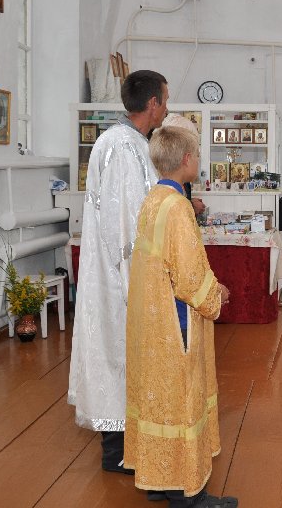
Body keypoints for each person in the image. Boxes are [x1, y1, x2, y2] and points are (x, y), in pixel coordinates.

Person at [124, 126, 237, 508]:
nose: (199, 160)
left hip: (152, 320)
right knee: (182, 400)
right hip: (176, 323)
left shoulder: (153, 198)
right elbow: (188, 277)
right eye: (198, 154)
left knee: (160, 400)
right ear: (187, 160)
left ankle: (162, 478)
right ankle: (189, 495)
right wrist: (216, 294)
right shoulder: (178, 206)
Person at [68, 70, 168, 474]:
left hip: (118, 271)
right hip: (122, 275)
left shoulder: (126, 142)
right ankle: (120, 453)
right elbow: (126, 225)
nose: (167, 108)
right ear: (153, 104)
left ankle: (128, 447)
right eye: (165, 100)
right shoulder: (124, 147)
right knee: (119, 353)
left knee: (120, 354)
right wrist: (142, 281)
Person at [161, 113, 207, 217]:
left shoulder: (180, 181)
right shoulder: (166, 192)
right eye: (196, 154)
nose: (198, 160)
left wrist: (189, 203)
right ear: (186, 158)